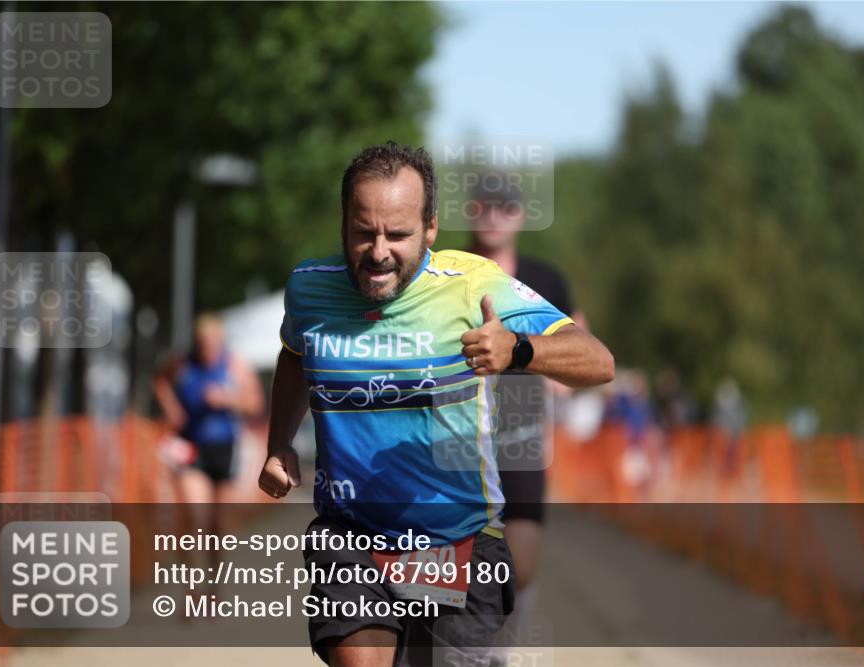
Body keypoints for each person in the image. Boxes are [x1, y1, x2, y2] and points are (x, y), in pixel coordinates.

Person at [258, 142, 615, 667]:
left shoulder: (472, 284)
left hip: (456, 540)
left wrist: (517, 350)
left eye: (398, 235)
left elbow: (598, 361)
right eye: (364, 232)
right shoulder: (310, 290)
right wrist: (279, 444)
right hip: (351, 536)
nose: (379, 252)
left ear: (430, 228)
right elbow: (295, 355)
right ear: (343, 224)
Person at [465, 173, 590, 636]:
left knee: (520, 565)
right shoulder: (446, 273)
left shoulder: (544, 281)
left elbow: (582, 348)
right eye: (483, 206)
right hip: (454, 437)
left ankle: (502, 648)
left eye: (505, 207)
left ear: (519, 216)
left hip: (519, 438)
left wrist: (555, 373)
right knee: (453, 568)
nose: (493, 216)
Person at [153, 312, 264, 515]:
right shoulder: (184, 363)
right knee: (197, 516)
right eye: (202, 343)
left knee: (221, 521)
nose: (208, 348)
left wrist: (227, 399)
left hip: (225, 449)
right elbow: (160, 380)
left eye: (213, 343)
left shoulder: (234, 365)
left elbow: (256, 404)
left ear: (221, 341)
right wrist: (172, 408)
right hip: (192, 447)